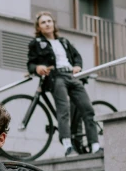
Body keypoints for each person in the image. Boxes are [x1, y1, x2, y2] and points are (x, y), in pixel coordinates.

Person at [27, 11, 102, 156]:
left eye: (49, 21)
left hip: (72, 76)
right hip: (56, 77)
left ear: (53, 24)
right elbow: (30, 64)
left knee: (88, 109)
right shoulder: (36, 43)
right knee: (63, 111)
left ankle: (95, 145)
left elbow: (77, 57)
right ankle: (68, 146)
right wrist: (37, 68)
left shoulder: (64, 42)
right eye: (43, 22)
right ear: (39, 27)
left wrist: (78, 66)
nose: (47, 24)